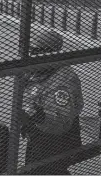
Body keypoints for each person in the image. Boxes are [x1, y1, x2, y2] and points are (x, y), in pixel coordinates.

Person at [20, 30, 83, 175]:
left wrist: (37, 115)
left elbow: (61, 121)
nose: (32, 55)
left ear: (49, 52)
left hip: (54, 142)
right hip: (37, 136)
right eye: (32, 51)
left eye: (37, 51)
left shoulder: (63, 79)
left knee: (49, 170)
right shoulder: (37, 71)